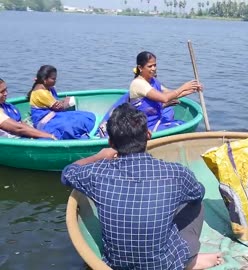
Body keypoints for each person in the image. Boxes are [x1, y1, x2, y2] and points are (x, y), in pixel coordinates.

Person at [61, 103, 222, 269]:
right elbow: (198, 193)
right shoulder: (175, 173)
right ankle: (189, 262)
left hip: (116, 265)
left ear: (111, 143)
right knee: (196, 205)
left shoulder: (97, 174)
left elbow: (67, 173)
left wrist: (98, 156)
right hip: (163, 266)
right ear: (149, 134)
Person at [129, 51, 201, 132]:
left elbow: (169, 94)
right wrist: (183, 87)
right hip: (144, 125)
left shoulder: (152, 80)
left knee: (169, 110)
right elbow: (165, 98)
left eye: (154, 65)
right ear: (140, 68)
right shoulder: (138, 83)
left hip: (154, 118)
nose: (153, 68)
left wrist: (191, 89)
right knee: (180, 125)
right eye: (150, 66)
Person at [27, 65, 95, 140]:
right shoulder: (41, 93)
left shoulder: (48, 88)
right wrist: (66, 102)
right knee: (71, 125)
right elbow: (59, 108)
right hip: (45, 122)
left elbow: (57, 104)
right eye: (53, 79)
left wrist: (62, 103)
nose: (55, 81)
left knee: (84, 116)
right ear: (44, 79)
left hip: (54, 116)